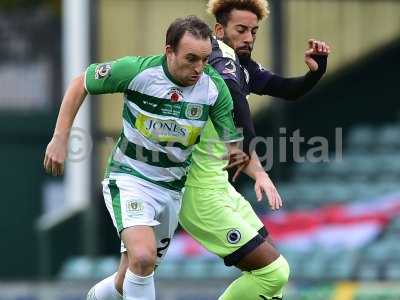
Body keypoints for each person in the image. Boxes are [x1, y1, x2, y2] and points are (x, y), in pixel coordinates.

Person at [43, 16, 247, 300]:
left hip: (172, 188)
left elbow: (230, 136)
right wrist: (60, 137)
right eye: (190, 59)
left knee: (129, 275)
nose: (199, 68)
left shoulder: (214, 89)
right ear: (169, 51)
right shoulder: (137, 71)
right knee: (142, 256)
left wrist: (234, 151)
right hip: (130, 177)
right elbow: (81, 83)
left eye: (204, 59)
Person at [180, 1, 331, 299]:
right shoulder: (216, 59)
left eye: (254, 31)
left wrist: (314, 73)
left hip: (218, 186)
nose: (249, 37)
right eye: (241, 30)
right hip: (196, 192)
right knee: (274, 272)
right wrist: (255, 162)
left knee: (272, 272)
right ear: (219, 30)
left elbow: (286, 89)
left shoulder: (240, 65)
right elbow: (236, 101)